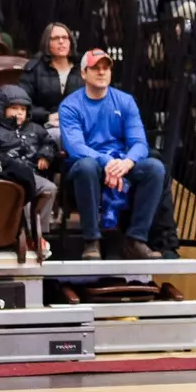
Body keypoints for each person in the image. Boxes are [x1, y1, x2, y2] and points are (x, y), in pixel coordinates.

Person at [58, 50, 165, 261]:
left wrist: (126, 163)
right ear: (83, 73)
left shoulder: (125, 101)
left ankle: (136, 239)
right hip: (88, 167)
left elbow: (139, 143)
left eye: (106, 68)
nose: (101, 72)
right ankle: (92, 241)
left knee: (155, 168)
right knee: (86, 165)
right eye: (95, 68)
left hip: (120, 163)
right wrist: (107, 161)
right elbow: (75, 146)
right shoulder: (70, 105)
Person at [0, 84, 60, 241]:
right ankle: (27, 234)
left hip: (32, 175)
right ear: (2, 109)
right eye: (14, 108)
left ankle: (40, 233)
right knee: (25, 194)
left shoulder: (36, 128)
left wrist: (45, 156)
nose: (20, 113)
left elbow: (49, 143)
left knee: (50, 189)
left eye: (23, 109)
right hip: (6, 178)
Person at [21, 21, 81, 128]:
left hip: (79, 124)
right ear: (47, 43)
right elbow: (22, 103)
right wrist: (46, 116)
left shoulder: (82, 67)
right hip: (44, 127)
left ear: (70, 42)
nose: (61, 41)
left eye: (65, 38)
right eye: (56, 38)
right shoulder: (34, 69)